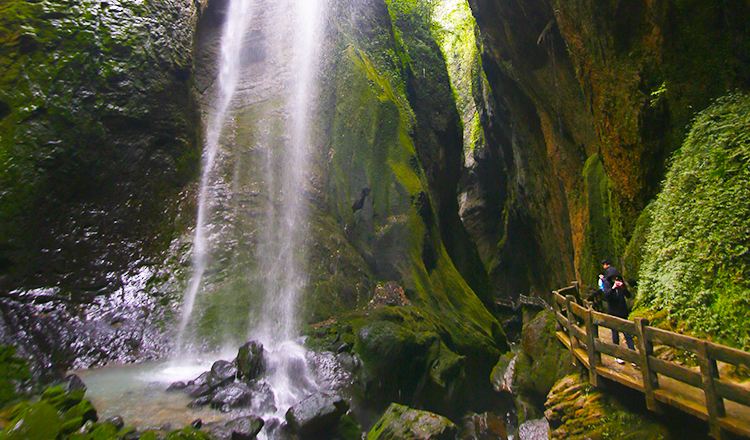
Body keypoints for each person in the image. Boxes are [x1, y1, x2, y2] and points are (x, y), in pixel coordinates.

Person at [600, 259, 635, 363]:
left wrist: (623, 287)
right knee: (615, 334)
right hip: (613, 312)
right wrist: (613, 287)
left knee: (627, 333)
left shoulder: (620, 282)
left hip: (622, 311)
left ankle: (633, 355)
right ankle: (617, 355)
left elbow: (628, 295)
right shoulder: (607, 283)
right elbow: (607, 295)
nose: (615, 279)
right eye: (613, 277)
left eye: (617, 277)